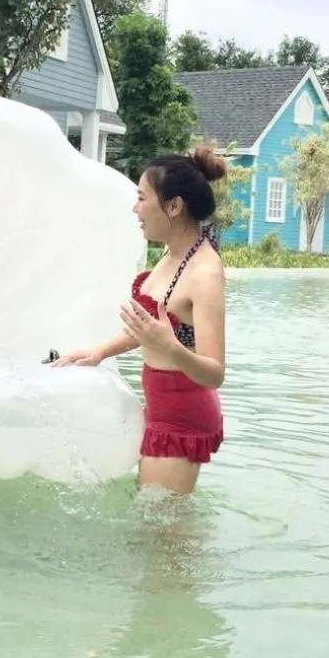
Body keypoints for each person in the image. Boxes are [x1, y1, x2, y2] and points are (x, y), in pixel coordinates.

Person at [54, 147, 227, 494]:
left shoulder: (205, 274)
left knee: (161, 524)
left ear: (174, 206)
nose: (135, 209)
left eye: (142, 198)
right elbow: (155, 330)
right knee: (153, 515)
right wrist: (100, 352)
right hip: (160, 404)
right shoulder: (173, 254)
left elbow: (214, 372)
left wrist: (171, 348)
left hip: (182, 417)